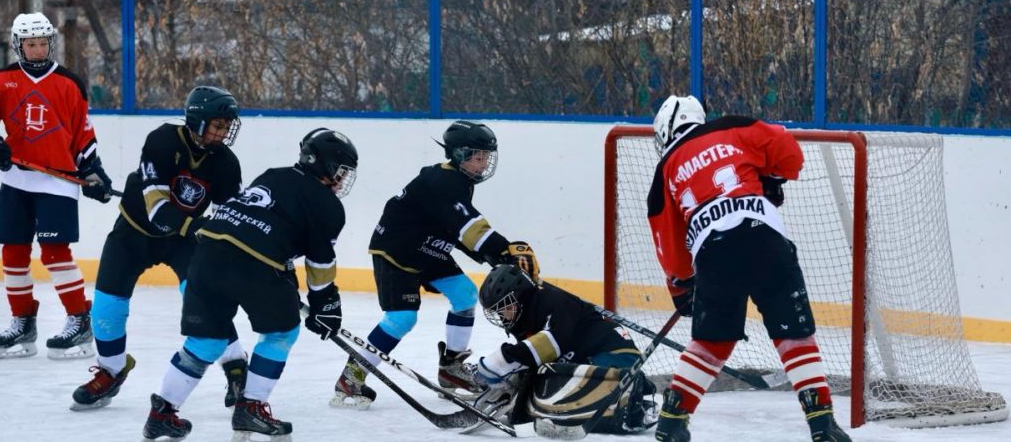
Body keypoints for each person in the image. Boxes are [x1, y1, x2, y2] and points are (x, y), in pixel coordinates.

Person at [646, 95, 851, 442]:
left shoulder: (664, 171)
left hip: (713, 253)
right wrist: (771, 176)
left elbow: (672, 251)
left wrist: (682, 286)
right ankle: (822, 424)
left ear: (665, 131)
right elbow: (790, 154)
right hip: (764, 238)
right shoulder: (733, 126)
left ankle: (671, 422)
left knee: (711, 341)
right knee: (793, 332)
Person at [141, 128, 358, 441]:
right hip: (254, 264)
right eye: (341, 170)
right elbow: (320, 262)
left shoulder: (273, 174)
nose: (342, 178)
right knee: (282, 332)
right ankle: (250, 407)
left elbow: (260, 223)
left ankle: (161, 413)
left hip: (206, 255)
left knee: (206, 341)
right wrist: (326, 304)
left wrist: (285, 276)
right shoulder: (328, 204)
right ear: (326, 164)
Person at [331, 120, 538, 409]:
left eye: (486, 157)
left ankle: (451, 369)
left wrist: (495, 256)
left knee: (465, 295)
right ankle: (351, 377)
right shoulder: (442, 181)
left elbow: (455, 227)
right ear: (459, 154)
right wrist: (502, 249)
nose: (484, 164)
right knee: (401, 319)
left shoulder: (458, 182)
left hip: (428, 250)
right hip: (397, 251)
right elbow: (469, 225)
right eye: (479, 157)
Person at [69, 86, 248, 411]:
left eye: (226, 127)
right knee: (106, 310)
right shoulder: (163, 141)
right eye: (218, 126)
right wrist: (199, 226)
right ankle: (112, 370)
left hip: (183, 243)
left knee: (206, 302)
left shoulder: (226, 163)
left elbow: (231, 216)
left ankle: (236, 364)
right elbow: (159, 212)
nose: (223, 133)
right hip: (133, 234)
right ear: (197, 122)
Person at [0, 12, 113, 360]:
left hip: (57, 182)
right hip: (16, 180)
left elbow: (83, 135)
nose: (39, 50)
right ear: (18, 45)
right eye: (31, 44)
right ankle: (23, 322)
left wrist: (93, 173)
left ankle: (79, 319)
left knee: (55, 253)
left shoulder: (69, 83)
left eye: (43, 43)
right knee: (13, 252)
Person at [471, 263, 658, 438]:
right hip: (587, 361)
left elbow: (552, 343)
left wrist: (503, 360)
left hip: (616, 356)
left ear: (520, 296)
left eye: (505, 307)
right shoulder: (525, 319)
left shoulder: (552, 300)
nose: (502, 315)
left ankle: (632, 402)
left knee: (555, 390)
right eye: (498, 311)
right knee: (542, 386)